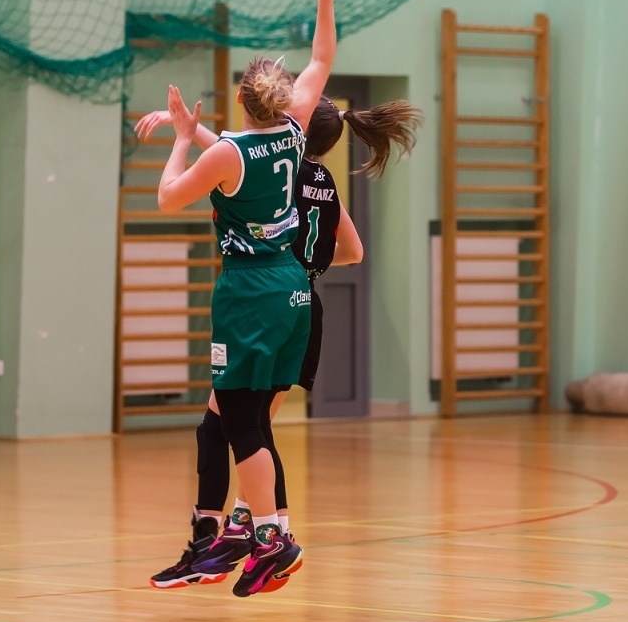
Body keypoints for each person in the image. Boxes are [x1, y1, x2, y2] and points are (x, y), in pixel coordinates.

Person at [145, 95, 421, 589]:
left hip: (265, 302)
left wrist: (184, 133)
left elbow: (234, 160)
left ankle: (249, 539)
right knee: (240, 427)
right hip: (302, 306)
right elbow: (353, 252)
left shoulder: (277, 174)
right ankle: (241, 535)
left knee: (234, 428)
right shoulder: (320, 179)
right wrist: (306, 265)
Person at [150, 0, 358, 597]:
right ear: (284, 100)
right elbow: (323, 55)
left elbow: (167, 197)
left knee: (242, 420)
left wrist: (182, 140)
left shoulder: (229, 153)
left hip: (248, 293)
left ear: (243, 101)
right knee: (230, 421)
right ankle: (227, 537)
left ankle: (271, 536)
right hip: (293, 285)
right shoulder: (295, 135)